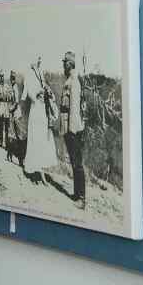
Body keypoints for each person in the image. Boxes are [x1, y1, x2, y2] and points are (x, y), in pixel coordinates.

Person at [23, 58, 59, 180]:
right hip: (35, 110)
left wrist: (48, 92)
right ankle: (33, 170)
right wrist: (36, 94)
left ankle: (41, 171)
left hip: (43, 111)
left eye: (40, 59)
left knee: (43, 140)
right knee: (35, 139)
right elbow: (28, 93)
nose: (39, 61)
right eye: (37, 59)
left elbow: (45, 87)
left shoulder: (40, 73)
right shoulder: (29, 74)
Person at [61, 51, 87, 208]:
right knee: (74, 161)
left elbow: (74, 108)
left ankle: (81, 198)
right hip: (69, 128)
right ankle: (77, 194)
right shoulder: (69, 80)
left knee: (77, 163)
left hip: (73, 128)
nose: (63, 65)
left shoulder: (74, 82)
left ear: (70, 64)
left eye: (65, 62)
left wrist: (71, 130)